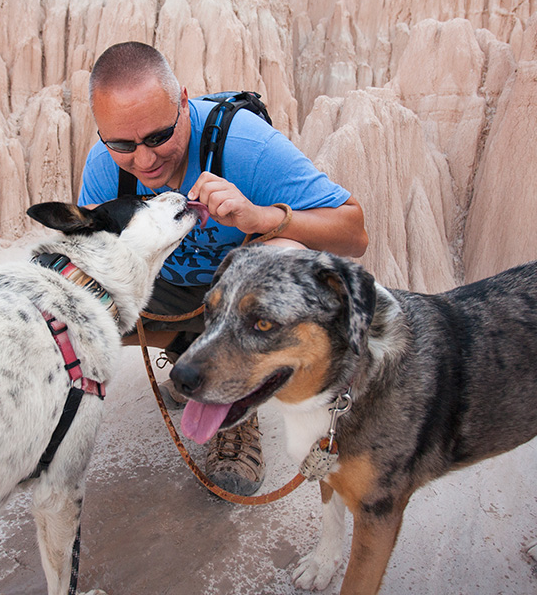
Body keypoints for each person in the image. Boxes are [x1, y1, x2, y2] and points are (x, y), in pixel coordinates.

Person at [78, 41, 368, 495]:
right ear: (102, 134)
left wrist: (264, 217)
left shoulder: (246, 147)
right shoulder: (104, 169)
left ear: (184, 101)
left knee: (287, 250)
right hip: (168, 295)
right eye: (122, 144)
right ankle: (188, 351)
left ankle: (235, 403)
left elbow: (354, 232)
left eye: (158, 136)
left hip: (242, 299)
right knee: (80, 305)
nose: (145, 159)